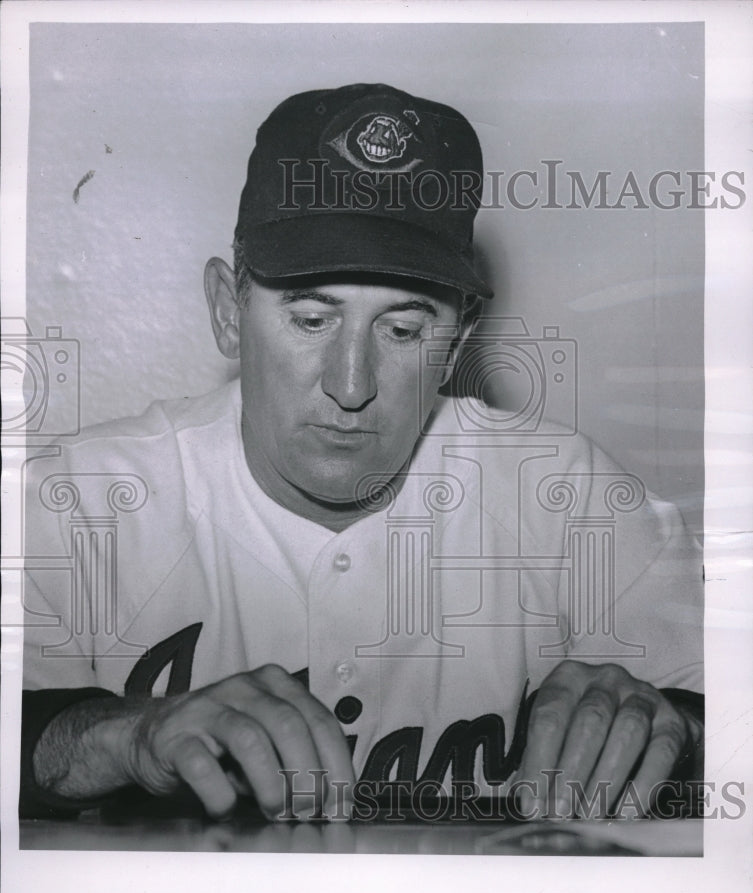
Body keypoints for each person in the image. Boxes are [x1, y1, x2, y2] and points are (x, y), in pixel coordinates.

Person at [20, 83, 703, 824]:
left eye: (402, 331)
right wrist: (128, 736)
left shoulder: (576, 500)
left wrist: (672, 727)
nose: (351, 385)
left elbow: (717, 726)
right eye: (312, 317)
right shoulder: (76, 502)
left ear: (457, 343)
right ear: (226, 310)